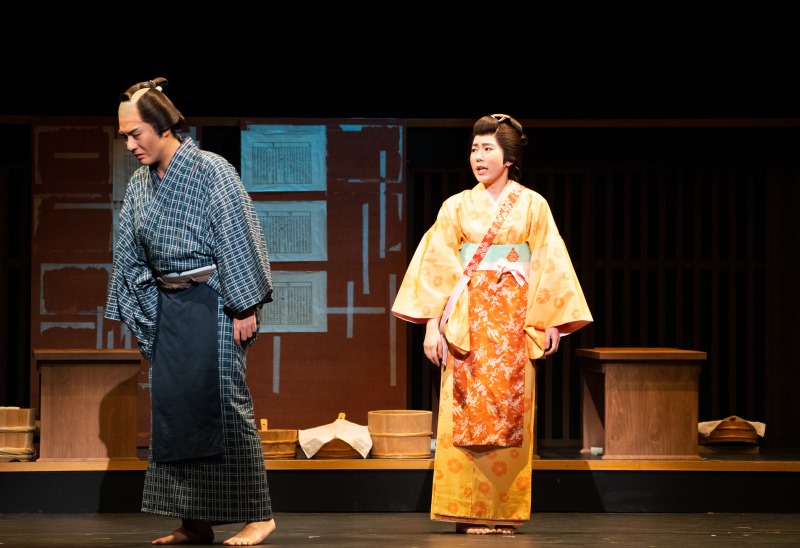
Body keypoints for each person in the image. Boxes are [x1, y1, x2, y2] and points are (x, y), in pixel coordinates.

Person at [392, 114, 593, 535]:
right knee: (464, 409)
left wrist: (549, 320)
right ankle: (466, 511)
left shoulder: (533, 204)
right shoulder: (456, 207)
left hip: (515, 320)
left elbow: (550, 261)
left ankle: (503, 512)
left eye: (488, 149)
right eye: (474, 149)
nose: (478, 157)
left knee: (510, 412)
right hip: (467, 320)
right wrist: (431, 326)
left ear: (509, 158)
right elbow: (436, 268)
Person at [105, 77, 276, 546]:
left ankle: (259, 514)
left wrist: (244, 303)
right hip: (169, 307)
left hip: (216, 300)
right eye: (124, 136)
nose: (129, 145)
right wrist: (143, 306)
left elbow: (236, 233)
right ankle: (194, 521)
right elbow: (129, 251)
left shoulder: (210, 170)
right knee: (175, 411)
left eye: (135, 133)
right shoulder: (140, 184)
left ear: (162, 127)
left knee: (227, 404)